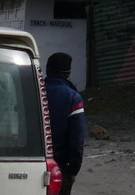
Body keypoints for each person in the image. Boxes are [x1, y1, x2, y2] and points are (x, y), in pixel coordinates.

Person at [43, 52, 86, 195]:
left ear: (47, 69)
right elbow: (77, 139)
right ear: (67, 72)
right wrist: (73, 170)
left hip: (30, 160)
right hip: (59, 167)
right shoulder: (72, 97)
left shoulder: (34, 90)